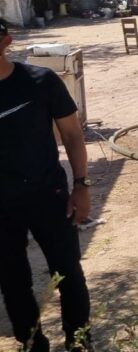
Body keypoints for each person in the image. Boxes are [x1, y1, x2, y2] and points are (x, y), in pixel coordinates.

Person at [0, 18, 93, 351]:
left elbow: (72, 134)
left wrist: (81, 185)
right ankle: (32, 342)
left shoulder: (40, 81)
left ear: (6, 41)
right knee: (13, 282)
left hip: (47, 195)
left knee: (67, 271)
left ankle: (79, 340)